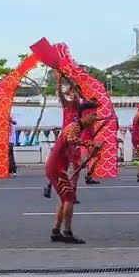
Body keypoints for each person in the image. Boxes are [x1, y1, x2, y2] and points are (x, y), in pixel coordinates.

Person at [46, 101, 100, 244]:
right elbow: (71, 139)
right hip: (56, 168)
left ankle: (56, 231)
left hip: (58, 167)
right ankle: (67, 232)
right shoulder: (74, 126)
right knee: (69, 197)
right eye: (94, 115)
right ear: (86, 115)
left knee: (65, 199)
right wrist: (90, 144)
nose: (96, 118)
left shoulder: (79, 128)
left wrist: (92, 150)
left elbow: (74, 147)